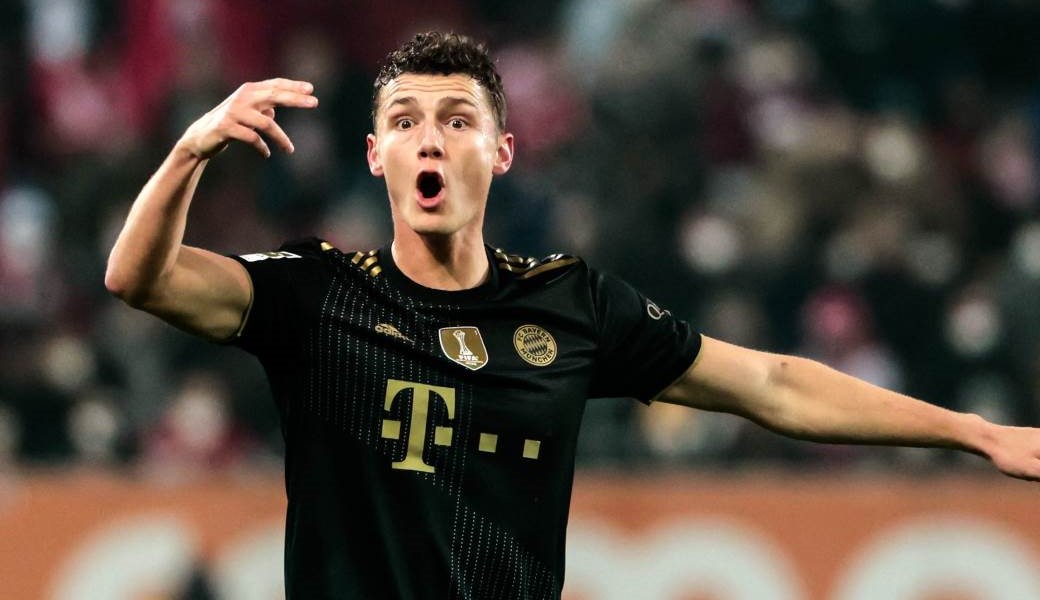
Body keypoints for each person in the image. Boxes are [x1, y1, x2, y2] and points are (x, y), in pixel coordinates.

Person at [105, 31, 1040, 600]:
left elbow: (771, 383)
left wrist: (973, 431)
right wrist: (189, 153)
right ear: (376, 153)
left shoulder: (569, 304)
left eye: (457, 119)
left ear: (502, 151)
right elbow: (138, 279)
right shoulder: (317, 293)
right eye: (406, 120)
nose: (431, 138)